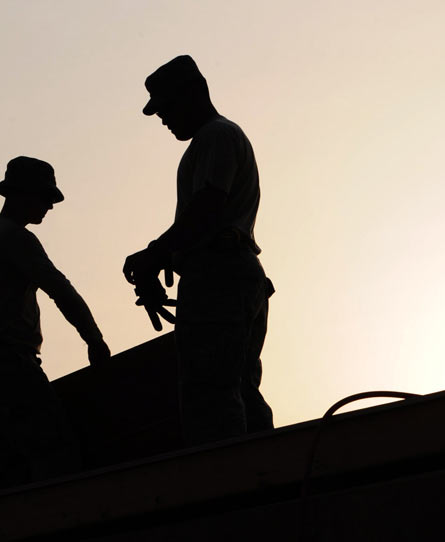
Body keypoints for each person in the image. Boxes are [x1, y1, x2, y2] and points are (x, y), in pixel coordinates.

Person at [124, 55, 274, 445]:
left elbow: (207, 208)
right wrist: (166, 260)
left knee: (212, 396)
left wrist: (155, 254)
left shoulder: (216, 136)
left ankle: (231, 485)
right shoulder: (211, 142)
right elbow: (202, 221)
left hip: (221, 279)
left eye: (167, 108)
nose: (163, 119)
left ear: (193, 94)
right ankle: (266, 475)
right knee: (238, 389)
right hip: (230, 276)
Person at [0, 156, 110, 486]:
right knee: (56, 454)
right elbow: (60, 290)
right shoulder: (15, 237)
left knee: (15, 467)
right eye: (45, 197)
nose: (49, 206)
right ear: (22, 194)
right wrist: (94, 340)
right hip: (9, 366)